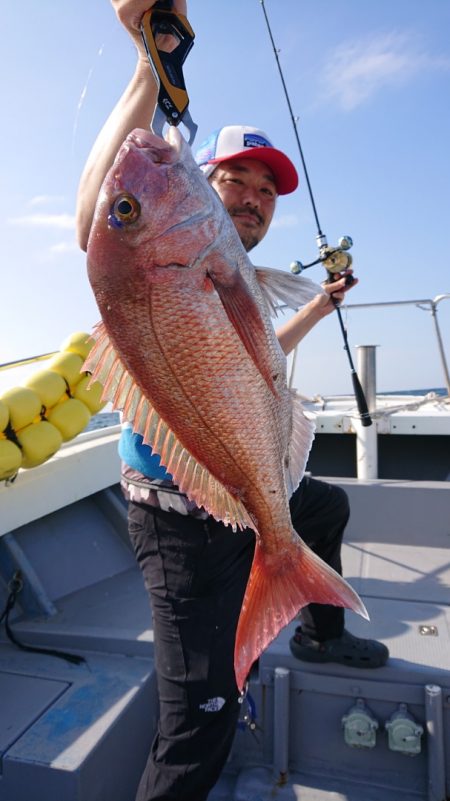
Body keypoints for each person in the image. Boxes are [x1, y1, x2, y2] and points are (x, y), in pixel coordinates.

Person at [76, 3, 389, 799]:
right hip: (176, 514)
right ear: (204, 185)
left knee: (322, 509)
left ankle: (316, 629)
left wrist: (318, 306)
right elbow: (99, 216)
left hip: (242, 476)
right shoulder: (155, 250)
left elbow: (246, 363)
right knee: (201, 716)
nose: (251, 197)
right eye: (234, 180)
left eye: (264, 189)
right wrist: (153, 63)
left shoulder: (218, 264)